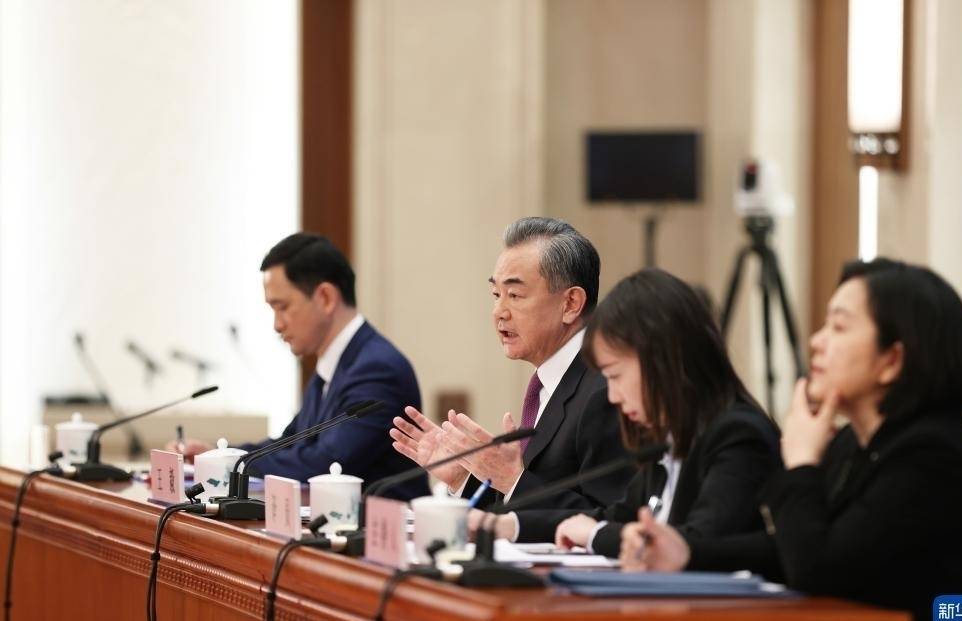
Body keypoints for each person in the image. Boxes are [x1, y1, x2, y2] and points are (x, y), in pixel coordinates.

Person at [622, 258, 962, 621]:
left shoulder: (933, 453)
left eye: (839, 326)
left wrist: (801, 462)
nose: (816, 341)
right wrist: (687, 553)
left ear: (892, 360)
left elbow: (818, 569)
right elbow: (791, 547)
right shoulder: (858, 442)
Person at [489, 268, 781, 552]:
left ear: (662, 361)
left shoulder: (737, 435)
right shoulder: (671, 438)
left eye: (615, 376)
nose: (613, 396)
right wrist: (510, 526)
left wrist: (597, 536)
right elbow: (614, 518)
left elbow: (697, 545)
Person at [389, 217, 628, 535]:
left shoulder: (605, 389)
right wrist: (464, 478)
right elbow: (525, 514)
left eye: (514, 295)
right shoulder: (552, 381)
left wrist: (514, 479)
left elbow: (608, 523)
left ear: (571, 303)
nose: (499, 312)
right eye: (495, 295)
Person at [171, 233, 428, 499]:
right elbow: (289, 445)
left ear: (325, 298)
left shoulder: (377, 369)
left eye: (282, 307)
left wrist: (230, 464)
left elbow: (325, 463)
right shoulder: (331, 368)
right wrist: (217, 455)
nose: (277, 325)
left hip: (381, 525)